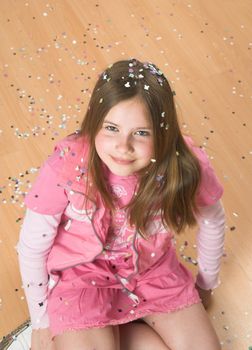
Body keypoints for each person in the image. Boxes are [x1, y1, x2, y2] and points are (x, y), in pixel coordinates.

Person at [17, 58, 225, 350]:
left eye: (141, 133)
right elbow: (32, 247)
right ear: (94, 123)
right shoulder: (66, 166)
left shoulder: (185, 165)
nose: (123, 146)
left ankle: (115, 327)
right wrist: (41, 322)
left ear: (163, 133)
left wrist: (206, 283)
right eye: (111, 128)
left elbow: (212, 221)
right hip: (80, 279)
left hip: (154, 274)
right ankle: (83, 331)